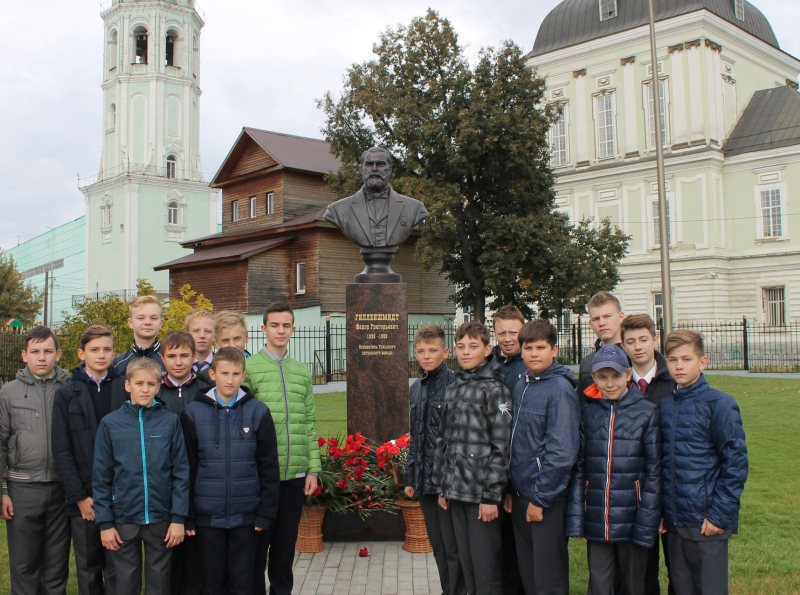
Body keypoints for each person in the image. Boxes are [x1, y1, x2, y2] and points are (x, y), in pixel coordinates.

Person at [181, 347, 280, 595]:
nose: (230, 380)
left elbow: (268, 467)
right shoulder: (192, 413)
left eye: (236, 374)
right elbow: (187, 468)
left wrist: (265, 513)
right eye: (224, 373)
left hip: (246, 516)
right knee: (211, 582)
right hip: (207, 516)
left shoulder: (258, 412)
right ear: (212, 374)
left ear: (243, 376)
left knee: (243, 581)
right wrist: (189, 515)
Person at [566, 344, 662, 595]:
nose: (610, 383)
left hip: (633, 518)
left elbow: (654, 471)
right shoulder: (588, 412)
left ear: (628, 375)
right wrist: (577, 518)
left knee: (633, 584)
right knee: (599, 583)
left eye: (616, 376)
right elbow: (580, 468)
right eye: (603, 377)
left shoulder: (647, 412)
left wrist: (648, 519)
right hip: (598, 518)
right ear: (594, 377)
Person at [660, 330, 748, 595]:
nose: (679, 366)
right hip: (674, 522)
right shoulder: (665, 406)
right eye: (673, 360)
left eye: (686, 359)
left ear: (703, 362)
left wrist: (719, 515)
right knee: (681, 587)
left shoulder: (719, 404)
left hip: (707, 521)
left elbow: (735, 464)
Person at [92, 358, 190, 595]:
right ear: (128, 385)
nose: (145, 389)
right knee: (125, 582)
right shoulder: (110, 424)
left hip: (161, 517)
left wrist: (178, 518)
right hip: (124, 517)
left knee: (160, 582)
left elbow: (180, 472)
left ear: (158, 386)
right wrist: (105, 523)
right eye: (139, 383)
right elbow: (101, 477)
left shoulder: (170, 422)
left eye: (150, 384)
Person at [244, 302, 321, 595]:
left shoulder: (301, 371)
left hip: (294, 475)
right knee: (256, 550)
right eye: (274, 325)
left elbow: (309, 424)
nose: (280, 330)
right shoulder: (250, 369)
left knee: (284, 550)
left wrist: (313, 469)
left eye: (286, 325)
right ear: (263, 329)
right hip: (261, 478)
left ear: (293, 329)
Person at [432, 321, 512, 595]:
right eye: (461, 346)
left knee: (485, 569)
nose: (466, 352)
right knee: (467, 568)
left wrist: (491, 496)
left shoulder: (495, 390)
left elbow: (502, 446)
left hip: (481, 497)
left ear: (488, 350)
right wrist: (443, 486)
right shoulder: (454, 387)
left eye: (473, 346)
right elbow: (444, 440)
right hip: (455, 493)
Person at [507, 320, 580, 595]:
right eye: (528, 348)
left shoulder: (560, 389)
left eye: (541, 347)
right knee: (529, 574)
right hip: (521, 493)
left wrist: (540, 498)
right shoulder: (522, 385)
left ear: (554, 350)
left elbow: (561, 452)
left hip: (545, 499)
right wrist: (512, 489)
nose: (534, 353)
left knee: (548, 578)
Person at [52, 324, 126, 595]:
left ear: (114, 352)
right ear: (81, 354)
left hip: (120, 493)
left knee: (118, 566)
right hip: (84, 497)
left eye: (107, 349)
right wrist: (79, 497)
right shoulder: (66, 393)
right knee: (88, 567)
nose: (101, 355)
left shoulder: (125, 388)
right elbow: (62, 449)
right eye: (94, 350)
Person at [0, 326, 71, 595]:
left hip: (62, 489)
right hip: (22, 489)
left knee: (56, 567)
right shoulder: (8, 392)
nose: (42, 357)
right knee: (24, 565)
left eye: (48, 351)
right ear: (24, 355)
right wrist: (2, 491)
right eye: (35, 352)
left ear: (58, 354)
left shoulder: (70, 387)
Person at [404, 325, 465, 595]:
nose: (426, 356)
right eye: (420, 351)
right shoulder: (416, 388)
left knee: (453, 547)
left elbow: (458, 439)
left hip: (446, 483)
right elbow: (415, 437)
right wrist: (410, 477)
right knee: (438, 546)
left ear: (446, 352)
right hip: (424, 481)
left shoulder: (455, 385)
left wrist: (449, 483)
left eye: (432, 350)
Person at [621, 313, 676, 595]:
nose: (638, 346)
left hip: (672, 485)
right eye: (630, 341)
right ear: (623, 345)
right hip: (633, 489)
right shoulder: (619, 383)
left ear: (655, 340)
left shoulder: (674, 380)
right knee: (641, 572)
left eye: (643, 339)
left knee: (679, 570)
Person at [155, 330, 210, 595]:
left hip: (200, 481)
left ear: (194, 357)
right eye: (172, 356)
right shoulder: (154, 392)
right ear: (162, 358)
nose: (178, 362)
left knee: (197, 559)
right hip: (164, 484)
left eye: (184, 356)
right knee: (168, 559)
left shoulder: (206, 391)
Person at [491, 304, 527, 595]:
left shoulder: (529, 364)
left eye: (513, 332)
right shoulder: (489, 363)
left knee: (519, 551)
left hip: (519, 468)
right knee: (497, 548)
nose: (507, 338)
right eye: (501, 332)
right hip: (492, 468)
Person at [576, 291, 626, 403]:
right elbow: (581, 404)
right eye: (596, 319)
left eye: (607, 316)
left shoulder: (633, 358)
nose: (602, 323)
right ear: (591, 324)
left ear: (621, 317)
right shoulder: (586, 363)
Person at [112, 295, 165, 374]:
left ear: (160, 323)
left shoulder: (170, 361)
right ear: (130, 323)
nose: (147, 322)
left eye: (153, 318)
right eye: (141, 318)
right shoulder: (117, 364)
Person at [185, 310, 215, 375]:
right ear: (187, 334)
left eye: (208, 331)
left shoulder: (223, 364)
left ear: (215, 335)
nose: (202, 336)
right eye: (196, 331)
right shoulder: (180, 365)